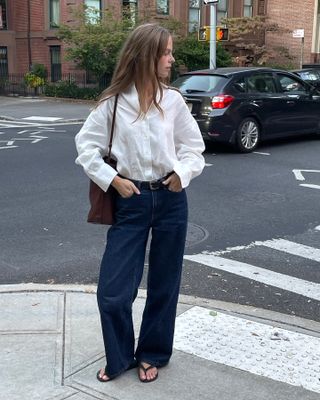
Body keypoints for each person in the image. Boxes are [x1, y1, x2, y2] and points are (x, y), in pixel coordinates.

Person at [75, 23, 205, 383]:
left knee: (165, 282)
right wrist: (113, 180)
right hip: (130, 201)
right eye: (165, 52)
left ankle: (152, 353)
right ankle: (119, 357)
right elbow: (86, 149)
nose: (171, 58)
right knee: (114, 292)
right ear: (146, 56)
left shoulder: (173, 101)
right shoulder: (112, 103)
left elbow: (194, 148)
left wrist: (183, 173)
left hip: (171, 199)